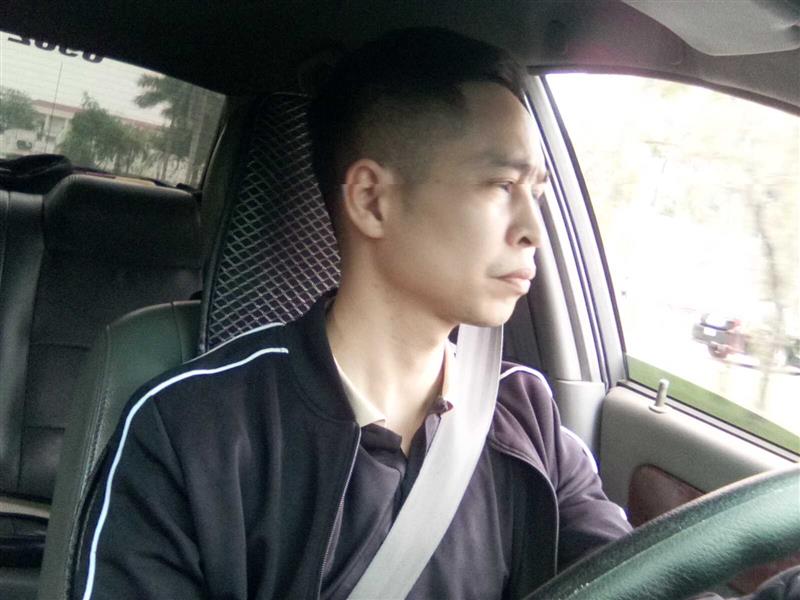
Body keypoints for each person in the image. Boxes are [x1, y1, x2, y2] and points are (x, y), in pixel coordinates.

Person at [72, 28, 797, 600]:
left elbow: (634, 580)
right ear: (372, 200)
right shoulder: (191, 432)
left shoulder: (525, 418)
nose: (534, 230)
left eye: (538, 192)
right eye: (500, 186)